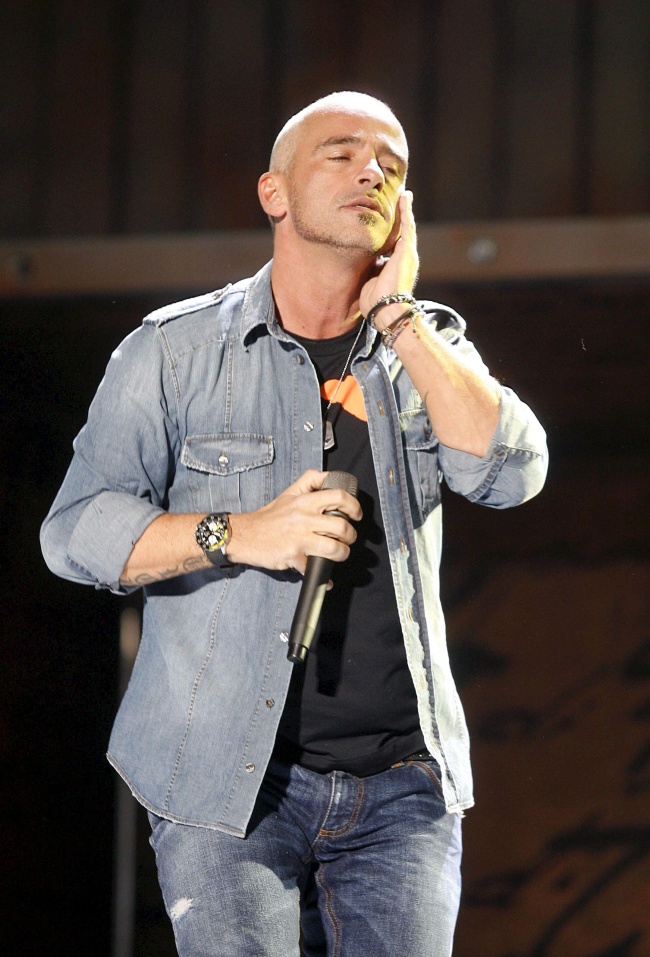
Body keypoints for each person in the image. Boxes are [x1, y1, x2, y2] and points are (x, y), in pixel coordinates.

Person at [41, 91, 548, 956]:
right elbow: (75, 531)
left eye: (391, 163)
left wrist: (400, 319)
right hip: (222, 781)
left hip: (402, 791)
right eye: (341, 152)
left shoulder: (424, 351)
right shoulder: (173, 352)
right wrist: (239, 532)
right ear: (273, 192)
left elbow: (513, 472)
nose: (371, 169)